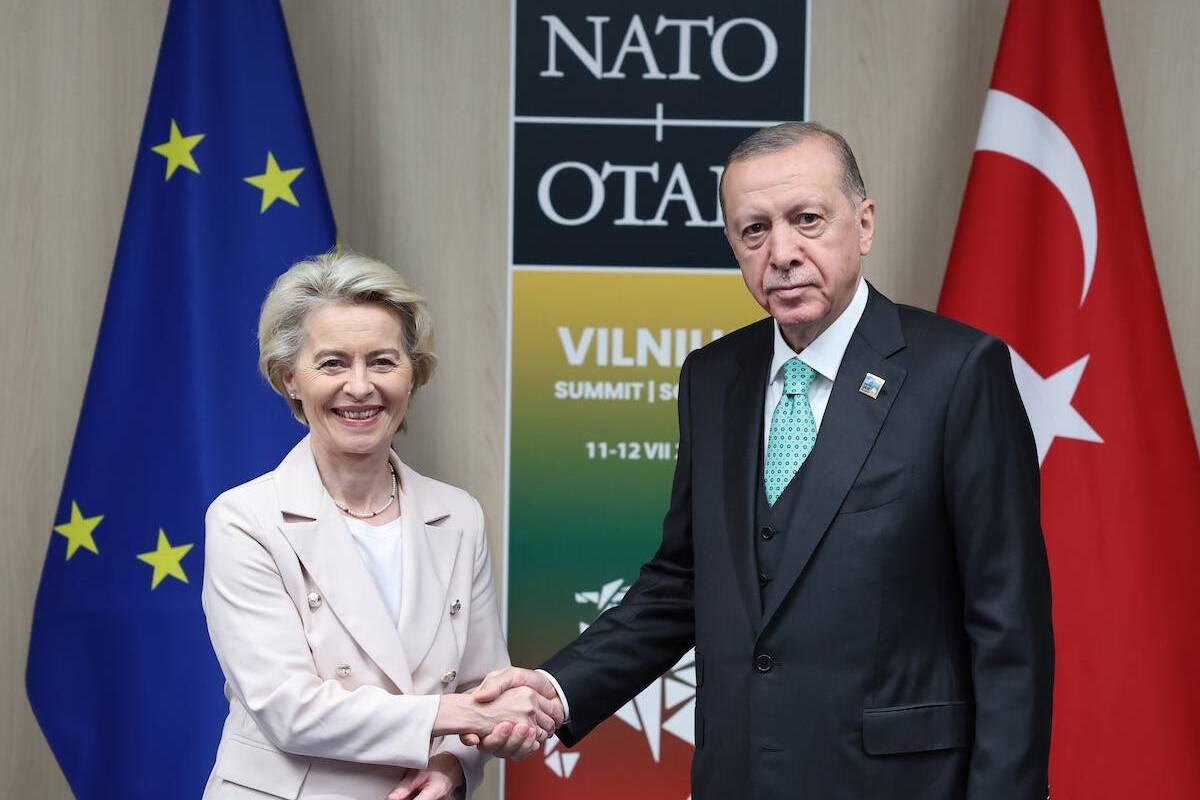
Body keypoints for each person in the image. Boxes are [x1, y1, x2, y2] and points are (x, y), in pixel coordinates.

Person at [466, 123, 1054, 798]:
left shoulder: (958, 372)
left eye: (807, 220)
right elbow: (682, 582)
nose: (782, 252)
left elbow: (1009, 629)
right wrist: (554, 690)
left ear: (863, 224)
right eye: (754, 231)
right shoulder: (714, 378)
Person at [201, 252, 561, 800]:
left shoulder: (458, 515)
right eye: (332, 364)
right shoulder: (244, 519)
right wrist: (461, 714)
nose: (361, 386)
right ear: (289, 379)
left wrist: (454, 763)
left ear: (413, 375)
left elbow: (479, 689)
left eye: (383, 361)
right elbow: (288, 709)